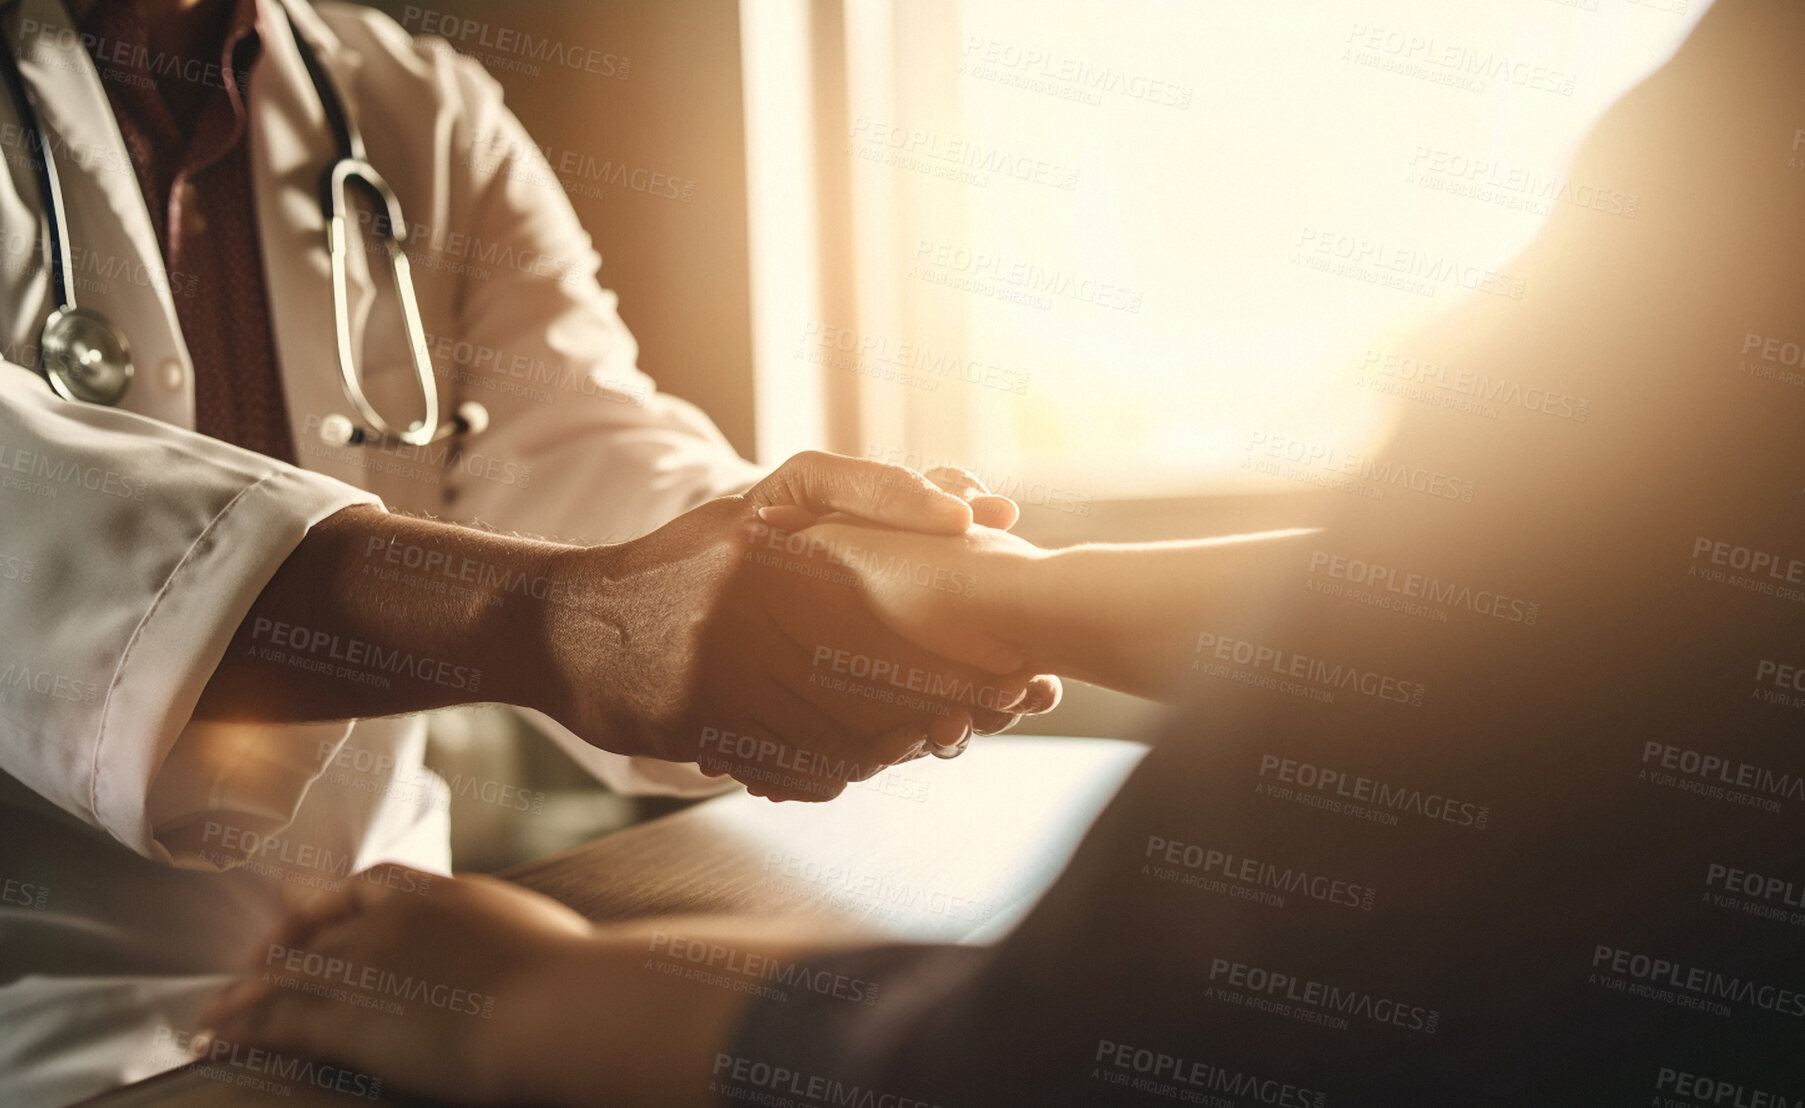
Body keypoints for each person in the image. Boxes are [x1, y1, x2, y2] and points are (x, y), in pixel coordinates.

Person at [194, 0, 1805, 1102]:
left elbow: (1079, 1057)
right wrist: (972, 599)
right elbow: (1586, 590)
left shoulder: (405, 105)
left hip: (352, 960)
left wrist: (541, 999)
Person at [0, 0, 1057, 1102]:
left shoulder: (416, 107)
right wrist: (562, 618)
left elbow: (582, 444)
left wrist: (798, 569)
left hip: (382, 972)